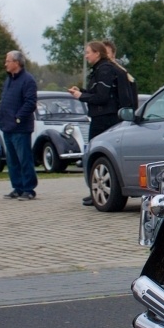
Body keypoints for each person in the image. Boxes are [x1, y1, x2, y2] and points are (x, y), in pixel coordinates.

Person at [68, 39, 134, 206]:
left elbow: (102, 97)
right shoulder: (101, 69)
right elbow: (96, 92)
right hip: (103, 117)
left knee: (97, 155)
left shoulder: (105, 70)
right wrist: (82, 91)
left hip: (104, 119)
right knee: (97, 156)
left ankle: (100, 190)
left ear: (97, 53)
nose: (86, 56)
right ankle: (96, 191)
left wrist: (80, 97)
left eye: (88, 52)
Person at [0, 50, 38, 200]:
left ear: (17, 63)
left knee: (24, 158)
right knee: (12, 160)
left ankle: (29, 189)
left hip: (20, 128)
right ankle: (17, 187)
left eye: (8, 61)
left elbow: (30, 102)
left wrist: (18, 118)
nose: (5, 64)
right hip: (7, 126)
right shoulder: (8, 80)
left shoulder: (28, 80)